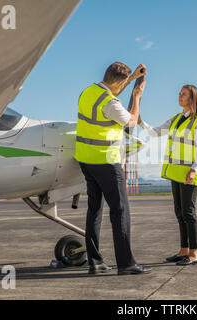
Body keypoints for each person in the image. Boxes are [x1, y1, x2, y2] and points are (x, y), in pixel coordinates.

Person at [74, 62, 152, 275]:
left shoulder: (88, 92)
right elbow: (131, 122)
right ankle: (126, 264)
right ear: (119, 82)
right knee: (120, 211)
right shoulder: (111, 104)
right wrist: (136, 96)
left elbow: (112, 91)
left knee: (94, 210)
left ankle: (95, 262)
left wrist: (131, 77)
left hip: (86, 160)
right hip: (106, 162)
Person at [138, 85, 197, 265]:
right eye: (179, 93)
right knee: (179, 212)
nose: (179, 96)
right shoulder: (176, 119)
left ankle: (193, 253)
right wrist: (140, 122)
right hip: (175, 173)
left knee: (189, 212)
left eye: (183, 94)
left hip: (189, 174)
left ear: (192, 98)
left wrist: (193, 170)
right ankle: (183, 250)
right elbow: (155, 133)